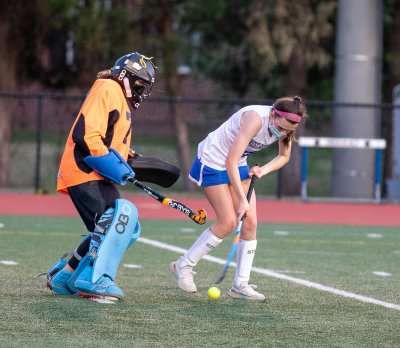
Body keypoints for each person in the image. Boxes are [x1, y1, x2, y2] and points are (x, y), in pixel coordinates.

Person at [170, 96, 307, 301]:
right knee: (228, 223)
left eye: (289, 130)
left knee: (250, 222)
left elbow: (283, 157)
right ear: (272, 114)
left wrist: (262, 170)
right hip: (213, 161)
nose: (284, 132)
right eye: (282, 128)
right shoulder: (255, 119)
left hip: (237, 162)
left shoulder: (286, 125)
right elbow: (229, 160)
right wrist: (242, 199)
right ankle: (183, 266)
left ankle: (240, 285)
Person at [46, 52, 157, 301]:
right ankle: (94, 279)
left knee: (120, 226)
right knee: (119, 218)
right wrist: (115, 164)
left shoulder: (119, 98)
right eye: (139, 84)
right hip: (85, 169)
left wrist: (130, 159)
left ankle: (65, 276)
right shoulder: (107, 88)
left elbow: (111, 142)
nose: (142, 90)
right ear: (124, 77)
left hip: (97, 172)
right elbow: (85, 136)